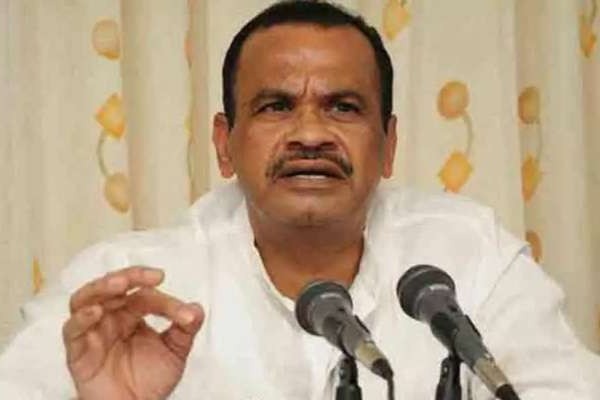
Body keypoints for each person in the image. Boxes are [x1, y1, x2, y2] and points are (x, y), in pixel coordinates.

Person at [1, 1, 599, 399]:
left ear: (389, 145)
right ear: (224, 144)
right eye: (276, 106)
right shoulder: (127, 294)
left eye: (343, 107)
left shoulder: (472, 258)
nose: (310, 134)